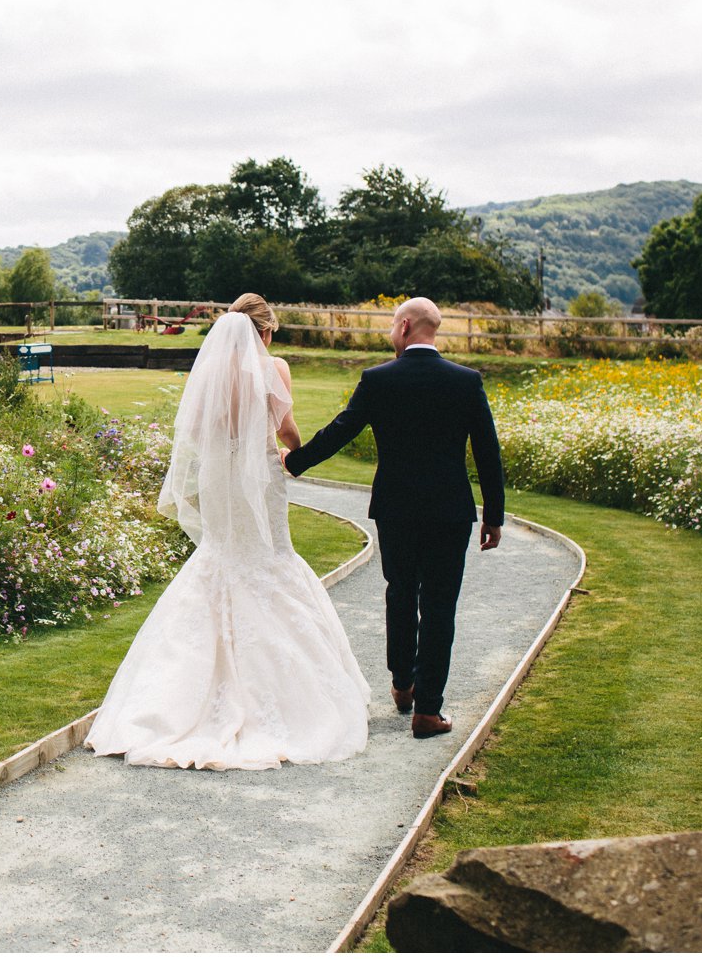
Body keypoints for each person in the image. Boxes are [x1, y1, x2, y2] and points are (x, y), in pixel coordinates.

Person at [86, 293, 369, 770]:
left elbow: (194, 432)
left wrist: (228, 450)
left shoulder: (212, 373)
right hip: (260, 478)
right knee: (270, 557)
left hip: (222, 483)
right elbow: (286, 431)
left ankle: (175, 703)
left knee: (220, 558)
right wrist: (292, 456)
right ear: (265, 331)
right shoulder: (273, 368)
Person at [283, 297, 504, 740]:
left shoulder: (378, 379)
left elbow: (341, 429)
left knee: (401, 591)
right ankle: (428, 711)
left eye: (391, 327)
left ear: (404, 327)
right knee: (440, 605)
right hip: (449, 511)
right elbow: (487, 450)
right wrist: (493, 516)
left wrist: (295, 462)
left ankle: (402, 682)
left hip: (396, 508)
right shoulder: (466, 381)